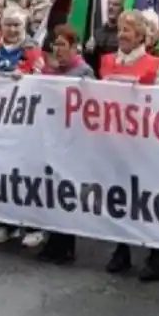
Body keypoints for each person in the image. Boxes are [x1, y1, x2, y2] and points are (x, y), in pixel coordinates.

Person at [102, 10, 159, 281]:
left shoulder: (154, 65)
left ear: (141, 35)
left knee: (147, 198)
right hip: (115, 141)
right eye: (119, 29)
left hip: (144, 142)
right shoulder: (107, 61)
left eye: (127, 29)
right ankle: (122, 248)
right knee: (118, 194)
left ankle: (156, 255)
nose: (121, 34)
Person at [36, 24, 96, 265]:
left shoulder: (84, 72)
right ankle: (53, 238)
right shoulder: (50, 72)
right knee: (51, 188)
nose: (57, 50)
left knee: (66, 190)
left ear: (74, 47)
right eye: (55, 44)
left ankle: (66, 244)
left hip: (72, 139)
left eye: (62, 44)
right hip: (52, 137)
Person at [0, 5, 45, 246]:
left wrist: (29, 75)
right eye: (8, 24)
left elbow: (41, 77)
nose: (12, 29)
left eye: (17, 24)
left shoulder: (32, 50)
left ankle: (34, 225)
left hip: (25, 120)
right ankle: (8, 223)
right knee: (3, 172)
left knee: (27, 174)